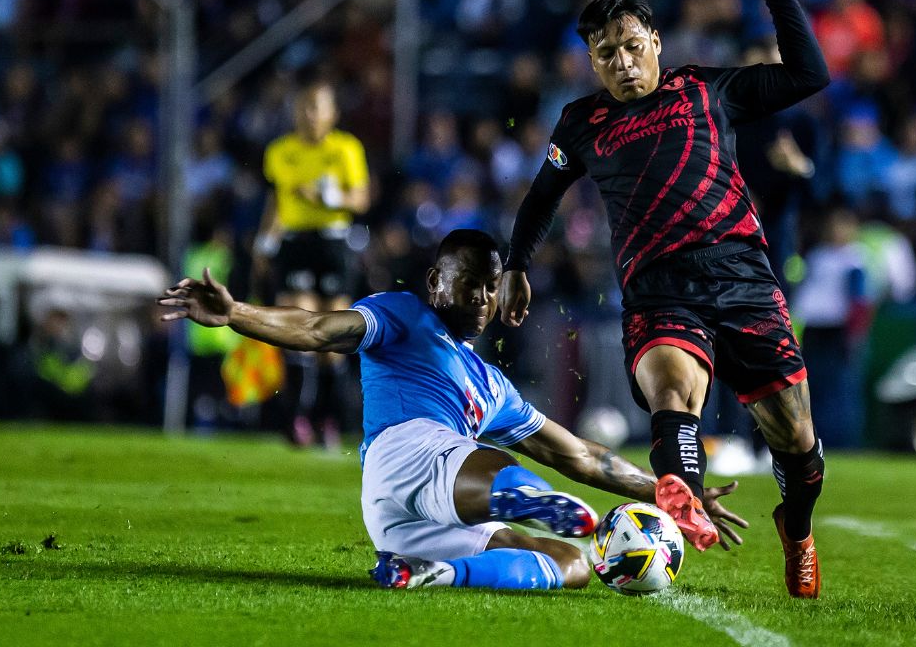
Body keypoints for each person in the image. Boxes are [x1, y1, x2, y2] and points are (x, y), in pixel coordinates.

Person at [501, 0, 831, 597]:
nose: (621, 63)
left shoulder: (708, 89)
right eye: (605, 54)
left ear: (655, 43)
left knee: (795, 437)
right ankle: (682, 492)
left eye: (629, 46)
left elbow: (809, 74)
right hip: (659, 288)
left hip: (742, 276)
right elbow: (539, 200)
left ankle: (796, 526)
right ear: (593, 64)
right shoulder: (582, 123)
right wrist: (514, 266)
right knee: (672, 392)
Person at [159, 229, 747, 591]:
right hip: (407, 453)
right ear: (436, 280)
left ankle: (430, 573)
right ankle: (571, 514)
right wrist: (238, 315)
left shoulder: (493, 388)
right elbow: (317, 328)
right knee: (502, 473)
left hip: (405, 522)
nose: (484, 298)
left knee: (570, 566)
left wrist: (667, 493)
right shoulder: (401, 315)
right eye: (470, 283)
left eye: (492, 288)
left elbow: (581, 453)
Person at [253, 79, 372, 448]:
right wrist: (264, 242)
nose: (308, 114)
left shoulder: (346, 149)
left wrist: (330, 195)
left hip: (333, 242)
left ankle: (330, 419)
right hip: (296, 242)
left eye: (316, 106)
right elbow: (277, 201)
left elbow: (361, 199)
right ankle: (297, 420)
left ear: (332, 113)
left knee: (333, 334)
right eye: (303, 106)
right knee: (301, 325)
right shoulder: (280, 151)